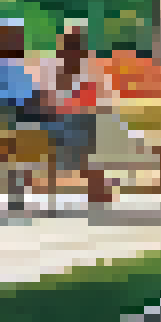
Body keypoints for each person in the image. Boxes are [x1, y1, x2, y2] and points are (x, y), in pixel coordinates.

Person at [44, 22, 114, 205]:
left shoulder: (89, 70)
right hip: (64, 121)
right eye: (68, 44)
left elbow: (98, 103)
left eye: (75, 44)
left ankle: (99, 191)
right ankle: (97, 191)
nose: (70, 50)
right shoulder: (56, 69)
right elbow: (50, 101)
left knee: (80, 158)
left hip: (82, 122)